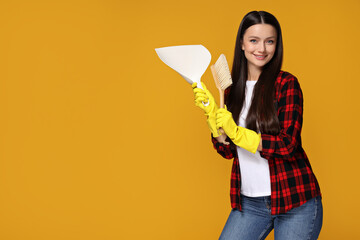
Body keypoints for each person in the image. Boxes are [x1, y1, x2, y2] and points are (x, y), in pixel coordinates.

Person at [192, 11, 322, 240]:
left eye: (269, 41)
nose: (261, 49)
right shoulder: (231, 91)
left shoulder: (286, 84)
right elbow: (228, 151)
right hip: (250, 204)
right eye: (254, 40)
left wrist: (239, 133)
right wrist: (215, 123)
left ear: (276, 45)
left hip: (295, 201)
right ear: (242, 43)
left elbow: (288, 145)